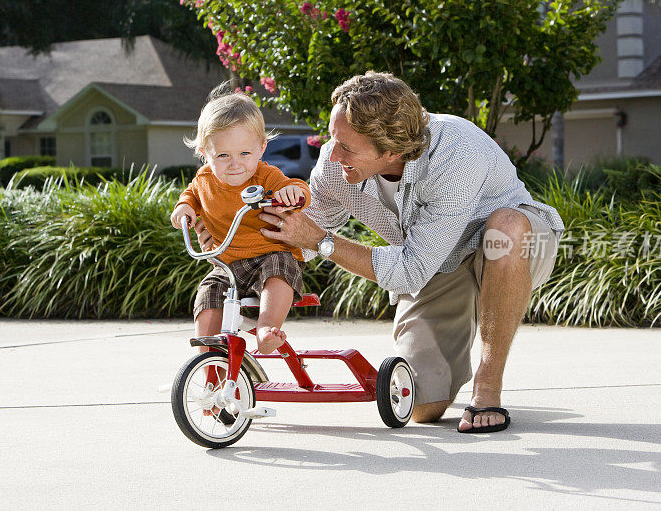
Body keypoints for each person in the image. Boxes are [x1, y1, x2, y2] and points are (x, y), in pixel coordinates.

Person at [254, 71, 565, 432]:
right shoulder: (334, 163)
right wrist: (233, 239)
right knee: (419, 405)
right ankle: (444, 371)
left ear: (392, 151)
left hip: (515, 246)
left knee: (504, 228)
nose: (332, 153)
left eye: (348, 148)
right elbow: (301, 233)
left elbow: (404, 268)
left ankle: (488, 386)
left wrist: (322, 242)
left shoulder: (458, 153)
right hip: (438, 265)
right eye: (333, 138)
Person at [171, 87, 311, 355]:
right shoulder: (204, 180)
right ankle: (206, 358)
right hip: (227, 263)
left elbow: (296, 187)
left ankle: (266, 330)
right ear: (204, 153)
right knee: (209, 291)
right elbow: (189, 196)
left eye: (244, 154)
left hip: (268, 254)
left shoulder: (266, 176)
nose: (235, 164)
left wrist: (293, 193)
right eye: (223, 156)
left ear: (261, 148)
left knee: (280, 265)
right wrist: (184, 209)